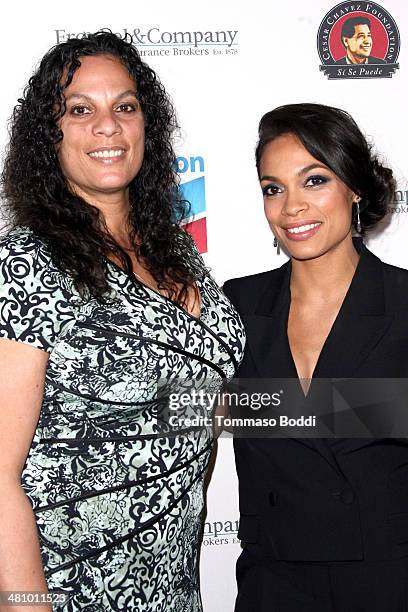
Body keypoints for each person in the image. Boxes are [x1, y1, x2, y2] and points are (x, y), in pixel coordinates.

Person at [0, 31, 245, 611]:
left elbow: (198, 402)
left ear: (145, 126)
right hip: (66, 590)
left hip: (174, 589)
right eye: (79, 109)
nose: (106, 126)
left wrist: (369, 406)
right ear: (49, 136)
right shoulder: (27, 263)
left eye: (124, 107)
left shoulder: (178, 256)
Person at [223, 103, 408, 611]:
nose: (291, 208)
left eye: (314, 180)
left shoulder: (403, 301)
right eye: (273, 188)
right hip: (273, 580)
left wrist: (261, 407)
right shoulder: (236, 303)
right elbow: (184, 409)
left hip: (388, 579)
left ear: (356, 188)